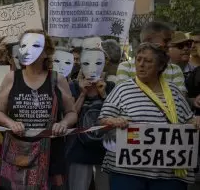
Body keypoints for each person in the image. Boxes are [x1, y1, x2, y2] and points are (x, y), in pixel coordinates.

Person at [99, 43, 198, 188]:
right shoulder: (122, 89)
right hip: (127, 173)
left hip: (168, 175)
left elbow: (189, 121)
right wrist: (113, 121)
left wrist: (196, 122)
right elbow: (102, 120)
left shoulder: (174, 91)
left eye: (148, 61)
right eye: (138, 60)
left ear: (160, 66)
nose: (141, 65)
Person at [0, 29, 77, 189]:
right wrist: (10, 123)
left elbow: (71, 112)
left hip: (51, 154)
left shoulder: (57, 79)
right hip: (18, 154)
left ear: (46, 52)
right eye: (24, 45)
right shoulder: (11, 77)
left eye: (36, 45)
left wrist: (64, 124)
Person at [67, 48, 114, 190]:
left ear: (105, 63)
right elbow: (70, 117)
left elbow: (114, 116)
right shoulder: (73, 86)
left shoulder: (111, 87)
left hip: (105, 150)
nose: (92, 67)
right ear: (80, 64)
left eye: (98, 62)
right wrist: (82, 95)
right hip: (79, 150)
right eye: (87, 62)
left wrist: (104, 94)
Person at [115, 22, 186, 94]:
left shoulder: (174, 69)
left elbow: (179, 98)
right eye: (165, 40)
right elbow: (124, 96)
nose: (169, 44)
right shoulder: (126, 67)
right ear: (148, 41)